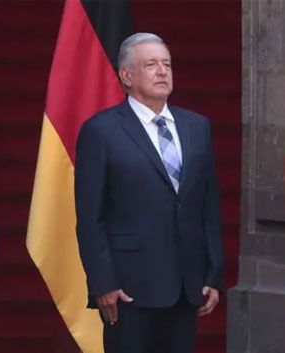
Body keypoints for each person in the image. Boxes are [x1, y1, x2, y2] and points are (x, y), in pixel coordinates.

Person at [75, 32, 224, 353]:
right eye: (151, 64)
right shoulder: (101, 130)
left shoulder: (197, 126)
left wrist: (213, 273)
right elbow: (90, 217)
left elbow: (208, 206)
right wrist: (102, 283)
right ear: (126, 76)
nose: (162, 71)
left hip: (187, 284)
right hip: (130, 288)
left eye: (167, 64)